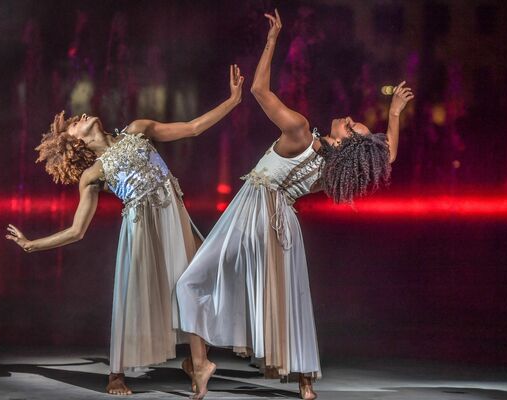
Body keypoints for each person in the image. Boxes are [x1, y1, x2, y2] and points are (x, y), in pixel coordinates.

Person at [176, 10, 413, 400]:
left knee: (190, 282)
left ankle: (201, 364)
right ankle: (305, 383)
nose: (350, 118)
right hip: (283, 224)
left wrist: (271, 40)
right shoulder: (331, 169)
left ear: (343, 143)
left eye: (353, 127)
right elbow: (386, 158)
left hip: (253, 212)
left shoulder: (302, 132)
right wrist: (394, 114)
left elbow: (259, 92)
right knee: (291, 300)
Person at [6, 65, 245, 395]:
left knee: (190, 284)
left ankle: (199, 363)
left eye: (76, 117)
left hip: (172, 218)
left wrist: (233, 101)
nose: (81, 117)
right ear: (73, 143)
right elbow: (77, 230)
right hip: (141, 231)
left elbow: (191, 128)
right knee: (133, 297)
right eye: (74, 123)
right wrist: (32, 245)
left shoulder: (137, 130)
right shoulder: (92, 175)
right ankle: (115, 375)